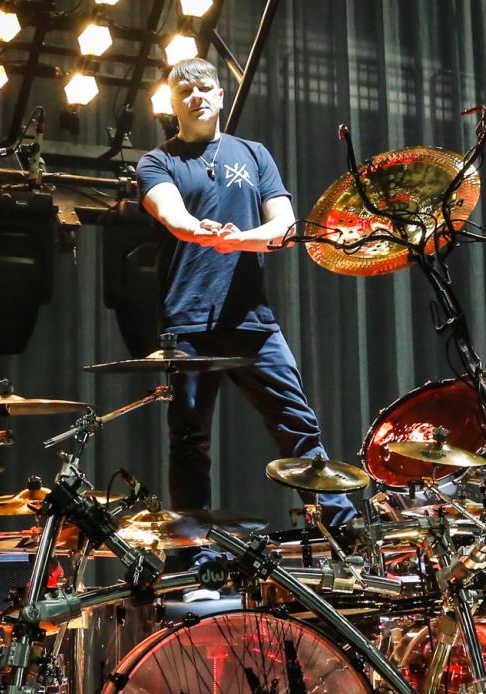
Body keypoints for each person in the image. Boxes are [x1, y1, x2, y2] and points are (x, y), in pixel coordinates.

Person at [135, 57, 356, 529]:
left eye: (205, 87)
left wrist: (243, 238)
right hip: (188, 325)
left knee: (298, 425)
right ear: (173, 104)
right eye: (185, 92)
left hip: (252, 322)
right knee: (189, 442)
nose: (197, 96)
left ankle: (342, 532)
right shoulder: (157, 161)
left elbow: (284, 226)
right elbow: (173, 217)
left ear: (220, 96)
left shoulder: (254, 154)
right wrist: (201, 230)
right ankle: (194, 560)